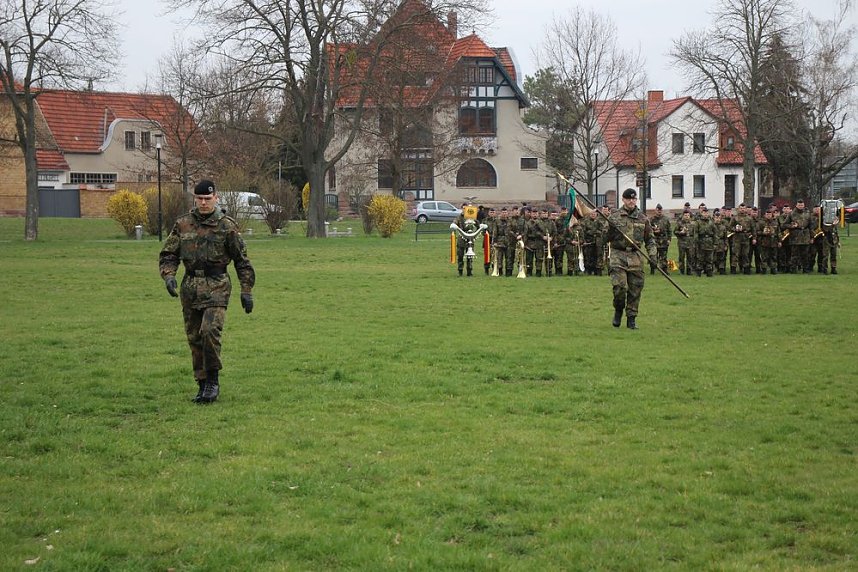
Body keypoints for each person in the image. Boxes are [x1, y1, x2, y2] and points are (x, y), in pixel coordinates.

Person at [159, 179, 256, 404]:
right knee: (194, 337)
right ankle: (201, 384)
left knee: (209, 331)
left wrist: (247, 290)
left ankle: (213, 380)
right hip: (190, 287)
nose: (203, 203)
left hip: (217, 285)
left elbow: (242, 261)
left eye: (207, 198)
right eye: (199, 198)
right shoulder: (182, 224)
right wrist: (169, 275)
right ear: (195, 198)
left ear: (216, 198)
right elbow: (169, 254)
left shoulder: (226, 226)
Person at [606, 188, 656, 330]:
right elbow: (605, 238)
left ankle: (631, 319)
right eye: (629, 199)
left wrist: (652, 255)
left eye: (634, 199)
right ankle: (618, 310)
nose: (632, 201)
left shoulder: (643, 218)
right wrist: (610, 230)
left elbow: (650, 239)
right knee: (619, 287)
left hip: (635, 256)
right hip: (618, 255)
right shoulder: (614, 217)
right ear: (623, 200)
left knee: (635, 289)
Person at [649, 203, 671, 274]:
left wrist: (669, 239)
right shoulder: (652, 219)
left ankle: (664, 270)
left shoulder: (666, 219)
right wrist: (654, 230)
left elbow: (669, 230)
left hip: (664, 239)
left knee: (663, 256)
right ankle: (652, 269)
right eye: (658, 210)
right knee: (653, 255)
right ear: (655, 210)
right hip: (655, 239)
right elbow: (648, 229)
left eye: (660, 210)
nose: (659, 211)